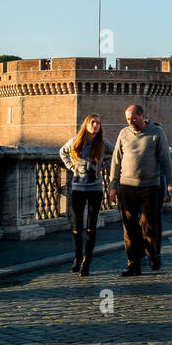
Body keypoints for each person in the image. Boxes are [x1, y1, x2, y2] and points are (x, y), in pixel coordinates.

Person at [108, 104, 172, 276]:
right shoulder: (123, 133)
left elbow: (165, 160)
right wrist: (112, 186)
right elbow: (116, 160)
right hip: (127, 186)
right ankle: (133, 263)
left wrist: (170, 182)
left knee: (149, 224)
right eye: (127, 119)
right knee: (129, 227)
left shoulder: (156, 133)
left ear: (142, 116)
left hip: (150, 187)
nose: (130, 122)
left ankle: (153, 253)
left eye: (133, 118)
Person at [59, 114, 113, 277]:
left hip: (95, 189)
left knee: (91, 228)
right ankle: (77, 257)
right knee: (76, 228)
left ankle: (86, 262)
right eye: (93, 122)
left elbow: (118, 154)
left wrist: (104, 166)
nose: (96, 125)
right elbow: (62, 152)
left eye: (98, 123)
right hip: (78, 188)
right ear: (86, 124)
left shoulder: (103, 143)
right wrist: (71, 167)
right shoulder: (75, 141)